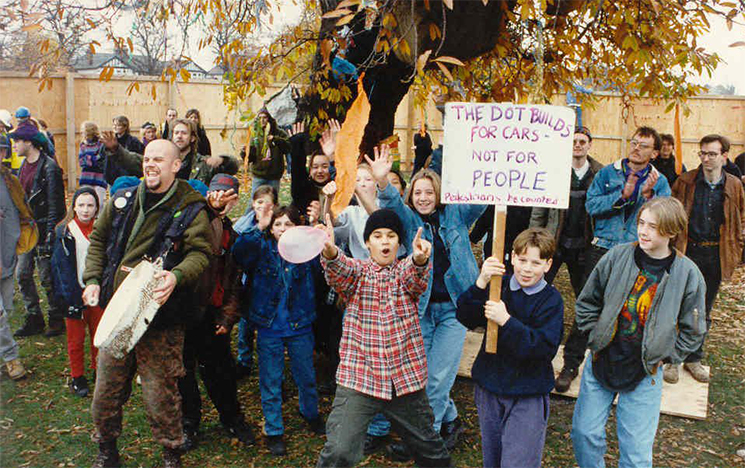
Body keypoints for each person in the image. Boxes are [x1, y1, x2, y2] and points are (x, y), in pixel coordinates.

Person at [82, 139, 213, 468]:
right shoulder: (123, 199)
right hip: (118, 312)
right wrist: (94, 279)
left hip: (161, 315)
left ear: (175, 166)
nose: (151, 164)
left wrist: (177, 276)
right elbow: (98, 239)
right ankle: (107, 450)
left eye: (159, 160)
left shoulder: (191, 207)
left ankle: (171, 452)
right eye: (147, 159)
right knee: (106, 389)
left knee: (160, 393)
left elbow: (201, 253)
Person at [571, 197, 706, 468]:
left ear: (670, 231)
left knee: (636, 454)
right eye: (641, 223)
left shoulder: (687, 274)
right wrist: (595, 334)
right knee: (584, 433)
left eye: (652, 227)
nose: (643, 231)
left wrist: (668, 356)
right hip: (602, 361)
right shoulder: (617, 256)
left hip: (645, 372)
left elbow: (694, 328)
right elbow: (588, 300)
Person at [373, 148, 487, 456]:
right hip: (420, 310)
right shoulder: (409, 221)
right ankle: (449, 420)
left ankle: (425, 440)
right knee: (420, 377)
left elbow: (481, 198)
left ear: (438, 193)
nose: (423, 197)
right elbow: (391, 203)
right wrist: (383, 181)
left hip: (455, 310)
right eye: (418, 192)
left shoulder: (456, 215)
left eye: (429, 192)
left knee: (437, 378)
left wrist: (482, 167)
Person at [315, 210, 451, 467]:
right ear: (367, 242)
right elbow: (339, 271)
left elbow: (416, 278)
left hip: (404, 380)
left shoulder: (405, 274)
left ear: (399, 243)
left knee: (431, 450)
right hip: (359, 379)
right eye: (377, 236)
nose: (385, 241)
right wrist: (331, 252)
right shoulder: (357, 273)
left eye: (391, 236)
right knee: (339, 451)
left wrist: (420, 260)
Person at [555, 126, 672, 392]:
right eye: (634, 142)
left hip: (636, 252)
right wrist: (623, 195)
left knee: (629, 310)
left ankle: (616, 364)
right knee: (588, 306)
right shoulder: (608, 173)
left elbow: (662, 219)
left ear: (654, 152)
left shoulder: (659, 181)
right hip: (602, 249)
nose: (636, 148)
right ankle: (571, 364)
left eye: (644, 145)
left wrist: (646, 198)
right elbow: (591, 206)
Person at [456, 228, 564, 468]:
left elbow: (543, 348)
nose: (527, 269)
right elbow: (465, 315)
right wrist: (481, 281)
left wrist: (506, 321)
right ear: (512, 257)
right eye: (522, 260)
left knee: (518, 461)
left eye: (536, 263)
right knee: (492, 458)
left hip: (527, 392)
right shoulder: (499, 286)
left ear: (548, 265)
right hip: (490, 386)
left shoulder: (551, 300)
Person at [232, 205, 324, 456]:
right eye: (277, 225)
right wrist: (259, 226)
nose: (283, 230)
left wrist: (320, 229)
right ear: (271, 229)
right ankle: (274, 429)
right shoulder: (260, 249)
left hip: (300, 324)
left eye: (288, 224)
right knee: (270, 379)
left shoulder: (306, 252)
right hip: (269, 326)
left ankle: (310, 412)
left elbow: (324, 264)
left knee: (305, 374)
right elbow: (239, 252)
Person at [178, 174, 255, 451]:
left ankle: (232, 419)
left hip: (212, 317)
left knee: (220, 372)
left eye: (228, 193)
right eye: (216, 191)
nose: (221, 197)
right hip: (184, 313)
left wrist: (227, 317)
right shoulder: (189, 221)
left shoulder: (232, 236)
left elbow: (235, 282)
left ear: (235, 199)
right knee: (183, 373)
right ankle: (189, 423)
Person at [666, 134, 745, 383]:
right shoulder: (686, 181)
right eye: (702, 153)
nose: (706, 158)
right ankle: (671, 360)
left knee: (704, 309)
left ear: (724, 156)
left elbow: (740, 217)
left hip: (716, 254)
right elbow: (671, 214)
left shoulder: (734, 185)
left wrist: (738, 244)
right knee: (677, 306)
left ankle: (693, 358)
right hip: (686, 252)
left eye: (712, 154)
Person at [530, 126, 604, 299]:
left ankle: (583, 325)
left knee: (584, 291)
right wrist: (534, 237)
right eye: (573, 142)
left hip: (584, 244)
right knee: (537, 285)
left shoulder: (600, 173)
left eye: (582, 142)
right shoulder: (555, 171)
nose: (577, 145)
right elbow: (539, 210)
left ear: (589, 145)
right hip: (555, 239)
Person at [9, 123, 66, 338]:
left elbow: (56, 205)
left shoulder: (49, 167)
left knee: (46, 276)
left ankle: (56, 317)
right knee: (22, 274)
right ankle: (34, 318)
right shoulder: (23, 166)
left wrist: (51, 232)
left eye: (18, 141)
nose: (14, 145)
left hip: (43, 229)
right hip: (26, 231)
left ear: (29, 142)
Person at [50, 187, 104, 397]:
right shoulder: (65, 232)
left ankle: (98, 371)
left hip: (96, 290)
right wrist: (69, 298)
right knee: (75, 338)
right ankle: (77, 376)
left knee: (98, 335)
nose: (85, 209)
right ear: (73, 207)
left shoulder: (101, 229)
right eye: (81, 205)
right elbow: (60, 269)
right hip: (74, 292)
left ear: (97, 208)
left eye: (90, 205)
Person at [102, 118, 238, 184]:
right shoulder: (161, 160)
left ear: (192, 138)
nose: (179, 136)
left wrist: (223, 160)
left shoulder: (202, 163)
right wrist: (116, 150)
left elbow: (233, 167)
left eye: (184, 133)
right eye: (176, 133)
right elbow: (134, 160)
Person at [232, 185, 278, 379]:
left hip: (268, 284)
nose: (263, 207)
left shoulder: (277, 226)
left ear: (275, 206)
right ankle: (244, 359)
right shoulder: (244, 225)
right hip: (247, 283)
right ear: (252, 204)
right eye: (259, 202)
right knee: (246, 325)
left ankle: (273, 372)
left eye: (268, 203)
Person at [0, 162, 29, 380]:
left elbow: (21, 215)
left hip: (7, 256)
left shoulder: (10, 181)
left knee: (6, 309)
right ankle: (11, 357)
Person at [246, 108, 289, 196]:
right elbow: (251, 157)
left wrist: (275, 139)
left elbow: (288, 148)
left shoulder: (279, 133)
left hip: (274, 175)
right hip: (258, 175)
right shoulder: (255, 134)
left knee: (273, 200)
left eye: (265, 117)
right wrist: (245, 152)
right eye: (260, 118)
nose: (262, 120)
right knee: (254, 202)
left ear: (269, 119)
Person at [105, 115, 145, 184]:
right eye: (114, 125)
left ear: (125, 127)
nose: (115, 127)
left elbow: (138, 160)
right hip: (113, 178)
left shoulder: (133, 141)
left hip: (129, 179)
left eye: (118, 125)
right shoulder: (110, 141)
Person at [78, 121, 108, 205]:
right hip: (86, 176)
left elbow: (102, 161)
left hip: (100, 177)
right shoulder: (83, 145)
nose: (82, 133)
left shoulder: (101, 144)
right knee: (86, 200)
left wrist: (90, 158)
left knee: (100, 202)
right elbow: (81, 162)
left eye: (83, 130)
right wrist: (95, 158)